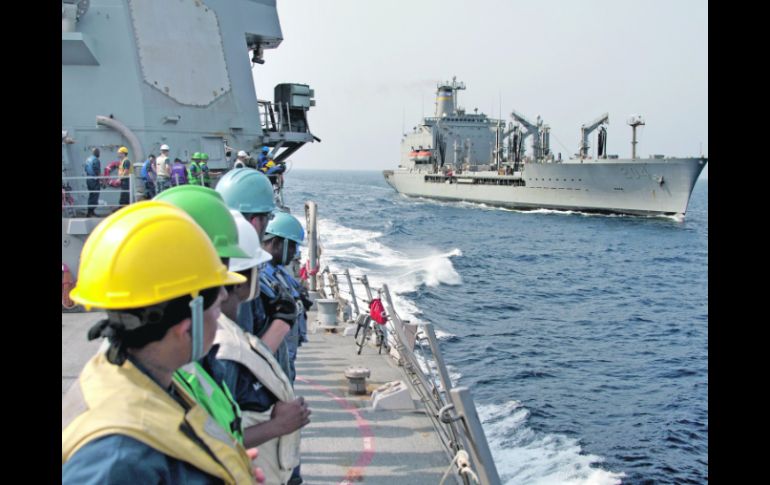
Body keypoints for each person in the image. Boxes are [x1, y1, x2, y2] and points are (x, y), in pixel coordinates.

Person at [61, 201, 260, 484]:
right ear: (185, 326)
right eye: (217, 306)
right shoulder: (117, 459)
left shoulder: (140, 375)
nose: (225, 301)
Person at [83, 148, 101, 217]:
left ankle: (90, 212)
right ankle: (90, 212)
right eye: (98, 152)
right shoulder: (96, 160)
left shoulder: (88, 159)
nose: (99, 154)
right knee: (94, 195)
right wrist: (101, 180)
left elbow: (85, 169)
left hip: (88, 179)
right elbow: (96, 171)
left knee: (91, 195)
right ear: (96, 153)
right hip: (94, 180)